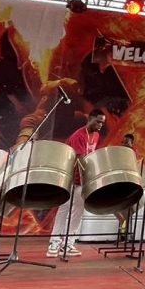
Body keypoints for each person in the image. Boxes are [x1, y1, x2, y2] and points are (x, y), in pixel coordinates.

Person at [46, 109, 106, 257]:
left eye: (102, 123)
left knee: (77, 212)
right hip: (71, 179)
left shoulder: (96, 136)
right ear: (90, 119)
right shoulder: (78, 136)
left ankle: (68, 244)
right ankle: (54, 242)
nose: (100, 125)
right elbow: (80, 160)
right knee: (64, 209)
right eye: (98, 121)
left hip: (82, 181)